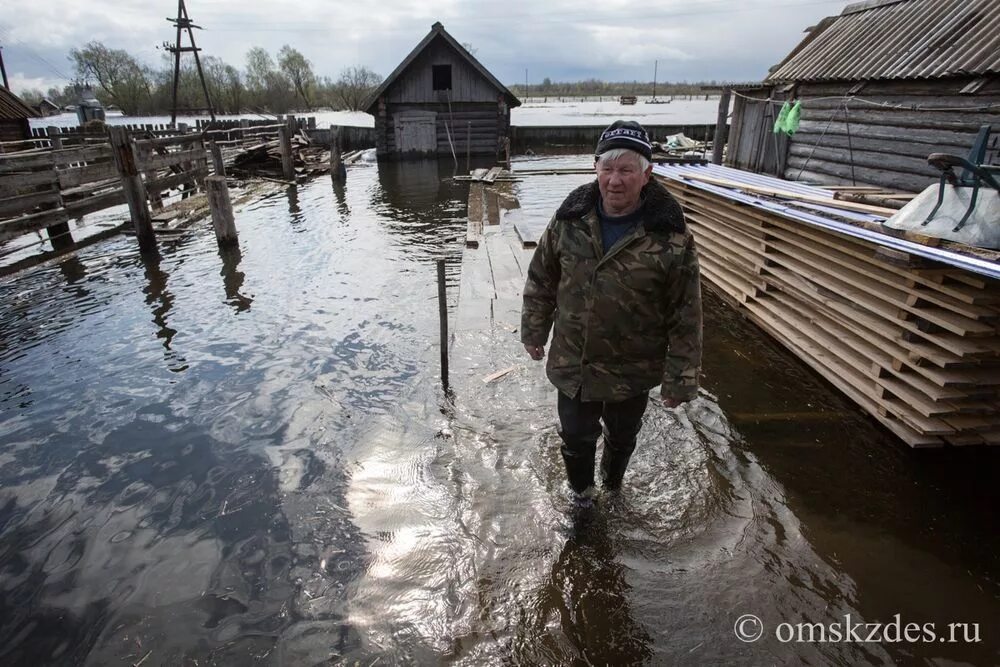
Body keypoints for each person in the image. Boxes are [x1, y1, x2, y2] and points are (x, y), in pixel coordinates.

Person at [520, 120, 702, 499]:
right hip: (575, 361)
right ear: (595, 168)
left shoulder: (670, 236)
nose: (615, 180)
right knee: (574, 436)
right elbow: (542, 279)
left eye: (626, 170)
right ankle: (582, 497)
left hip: (631, 368)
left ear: (647, 175)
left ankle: (614, 488)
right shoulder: (568, 221)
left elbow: (685, 311)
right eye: (608, 168)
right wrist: (534, 331)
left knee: (621, 437)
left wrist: (680, 377)